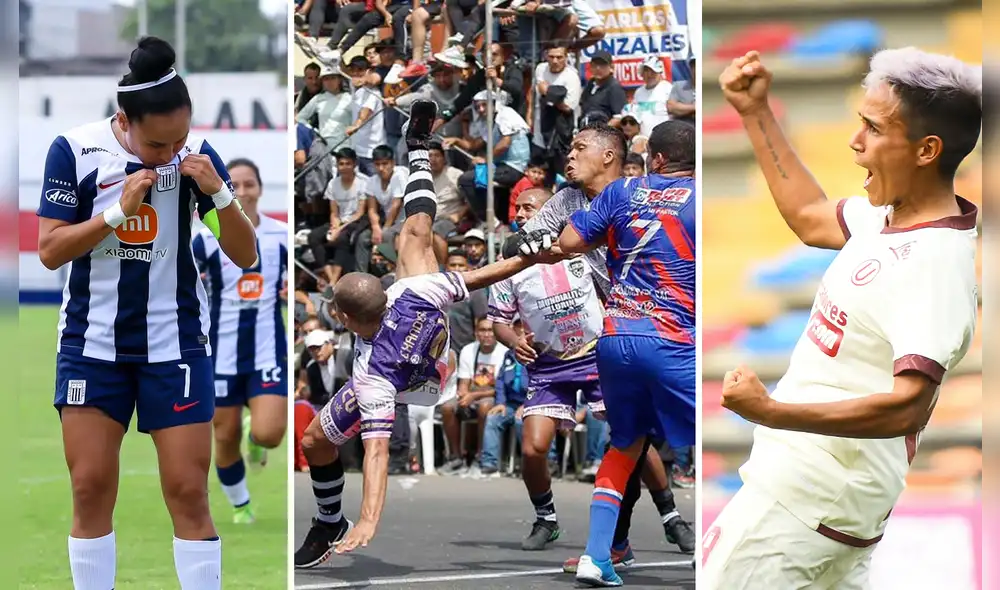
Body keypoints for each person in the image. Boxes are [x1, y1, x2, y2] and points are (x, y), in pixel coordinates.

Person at [702, 49, 981, 589]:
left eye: (873, 128)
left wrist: (771, 412)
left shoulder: (933, 264)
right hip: (826, 510)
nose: (856, 141)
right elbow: (810, 217)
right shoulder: (889, 219)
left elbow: (908, 405)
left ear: (926, 150)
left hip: (799, 508)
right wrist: (755, 110)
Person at [293, 100, 561, 567]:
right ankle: (418, 150)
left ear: (346, 321)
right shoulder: (415, 289)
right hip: (431, 352)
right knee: (414, 233)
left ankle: (331, 520)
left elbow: (376, 453)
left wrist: (369, 519)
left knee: (315, 441)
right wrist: (532, 255)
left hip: (418, 376)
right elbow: (484, 274)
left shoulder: (371, 379)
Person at [38, 37, 257, 590]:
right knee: (90, 487)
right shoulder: (75, 151)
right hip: (91, 346)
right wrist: (116, 212)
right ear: (124, 121)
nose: (171, 151)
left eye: (180, 138)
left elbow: (244, 254)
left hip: (175, 345)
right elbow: (51, 250)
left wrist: (219, 194)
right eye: (159, 143)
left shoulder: (197, 158)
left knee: (187, 491)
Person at [519, 123, 696, 575]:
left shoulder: (621, 193)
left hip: (615, 337)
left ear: (654, 158)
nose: (571, 155)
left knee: (624, 445)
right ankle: (714, 545)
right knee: (723, 434)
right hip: (674, 339)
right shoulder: (702, 199)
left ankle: (598, 556)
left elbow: (568, 243)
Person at [489, 187, 606, 551]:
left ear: (550, 212)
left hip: (597, 355)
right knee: (533, 448)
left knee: (630, 435)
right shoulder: (510, 264)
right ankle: (546, 519)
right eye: (517, 208)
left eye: (529, 208)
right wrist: (514, 341)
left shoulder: (580, 248)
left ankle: (670, 514)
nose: (521, 214)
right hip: (549, 365)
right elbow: (499, 322)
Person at [192, 158, 288, 525]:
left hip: (267, 350)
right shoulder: (203, 239)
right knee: (224, 436)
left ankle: (256, 437)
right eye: (237, 185)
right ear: (225, 190)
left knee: (270, 434)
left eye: (251, 184)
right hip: (219, 354)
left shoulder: (280, 236)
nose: (244, 192)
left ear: (261, 189)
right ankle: (241, 505)